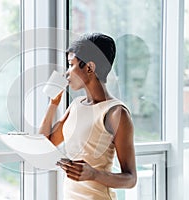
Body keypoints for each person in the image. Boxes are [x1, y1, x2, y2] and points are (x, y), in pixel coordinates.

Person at [39, 33, 137, 200]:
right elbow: (44, 144)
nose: (67, 73)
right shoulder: (76, 105)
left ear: (89, 67)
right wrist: (53, 104)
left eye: (71, 65)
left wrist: (93, 174)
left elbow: (130, 179)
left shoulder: (116, 113)